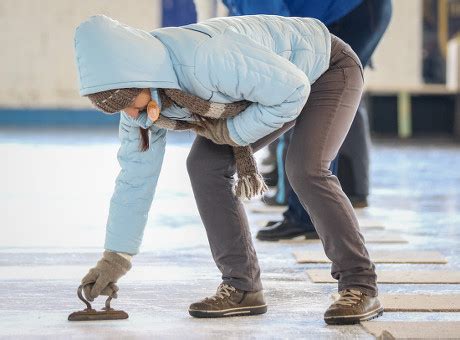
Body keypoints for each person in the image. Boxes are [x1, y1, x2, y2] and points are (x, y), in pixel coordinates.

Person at [74, 14, 382, 324]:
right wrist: (115, 258)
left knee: (305, 168)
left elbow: (292, 91)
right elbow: (134, 179)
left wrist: (233, 133)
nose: (130, 113)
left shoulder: (207, 59)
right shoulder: (144, 103)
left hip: (325, 68)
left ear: (140, 74)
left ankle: (360, 285)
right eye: (118, 109)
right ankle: (242, 286)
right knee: (204, 166)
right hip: (271, 87)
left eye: (129, 102)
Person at [216, 0, 393, 241]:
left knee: (311, 104)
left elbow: (277, 33)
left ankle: (307, 217)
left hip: (354, 12)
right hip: (346, 13)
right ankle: (343, 196)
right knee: (323, 102)